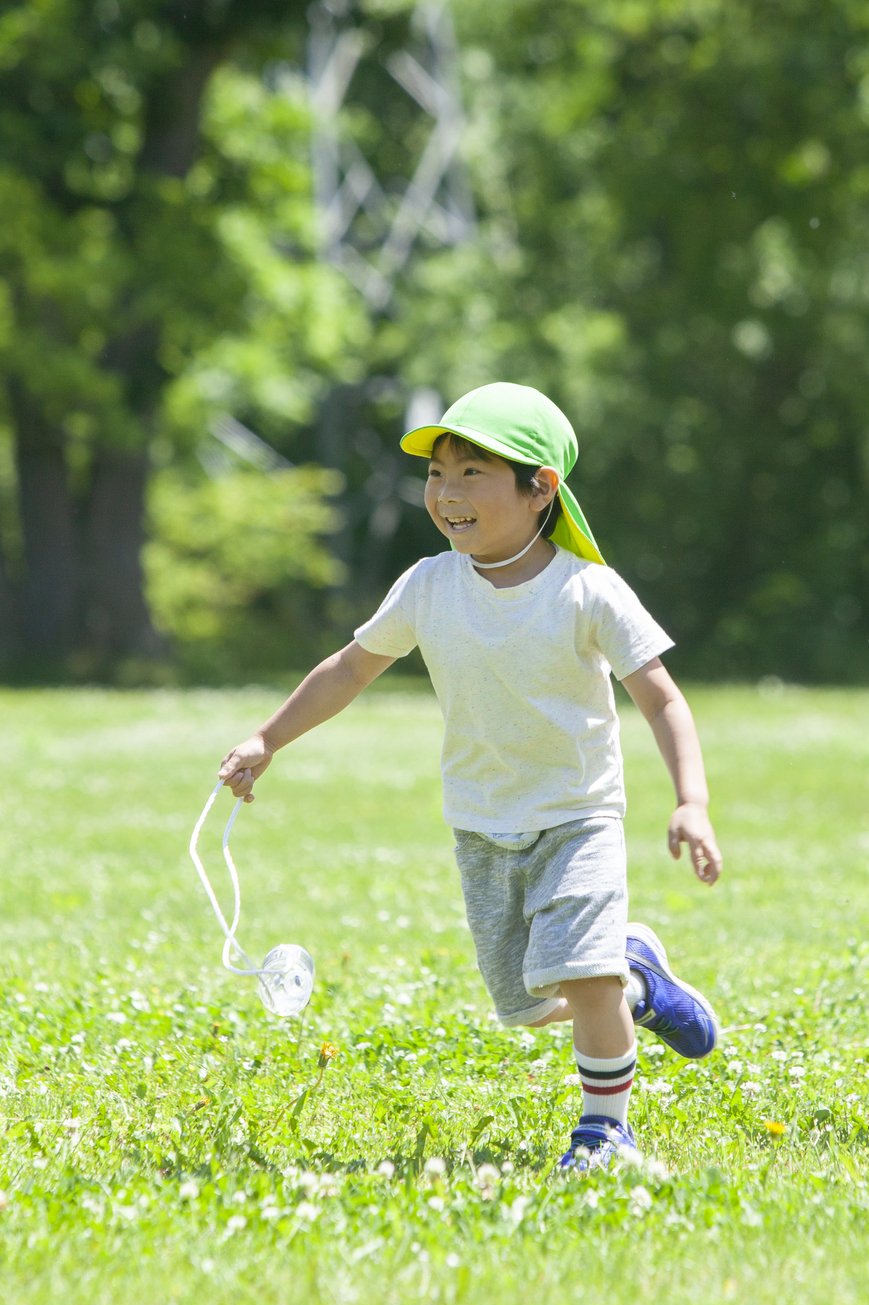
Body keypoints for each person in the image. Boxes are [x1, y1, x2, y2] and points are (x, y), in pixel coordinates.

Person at [217, 381, 725, 1169]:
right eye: (436, 476)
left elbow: (661, 699)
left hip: (577, 813)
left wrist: (691, 800)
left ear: (540, 490)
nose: (446, 495)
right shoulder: (428, 585)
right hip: (483, 821)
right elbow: (350, 669)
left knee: (582, 978)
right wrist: (267, 737)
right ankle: (641, 984)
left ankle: (604, 1133)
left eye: (471, 474)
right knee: (527, 1003)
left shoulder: (587, 589)